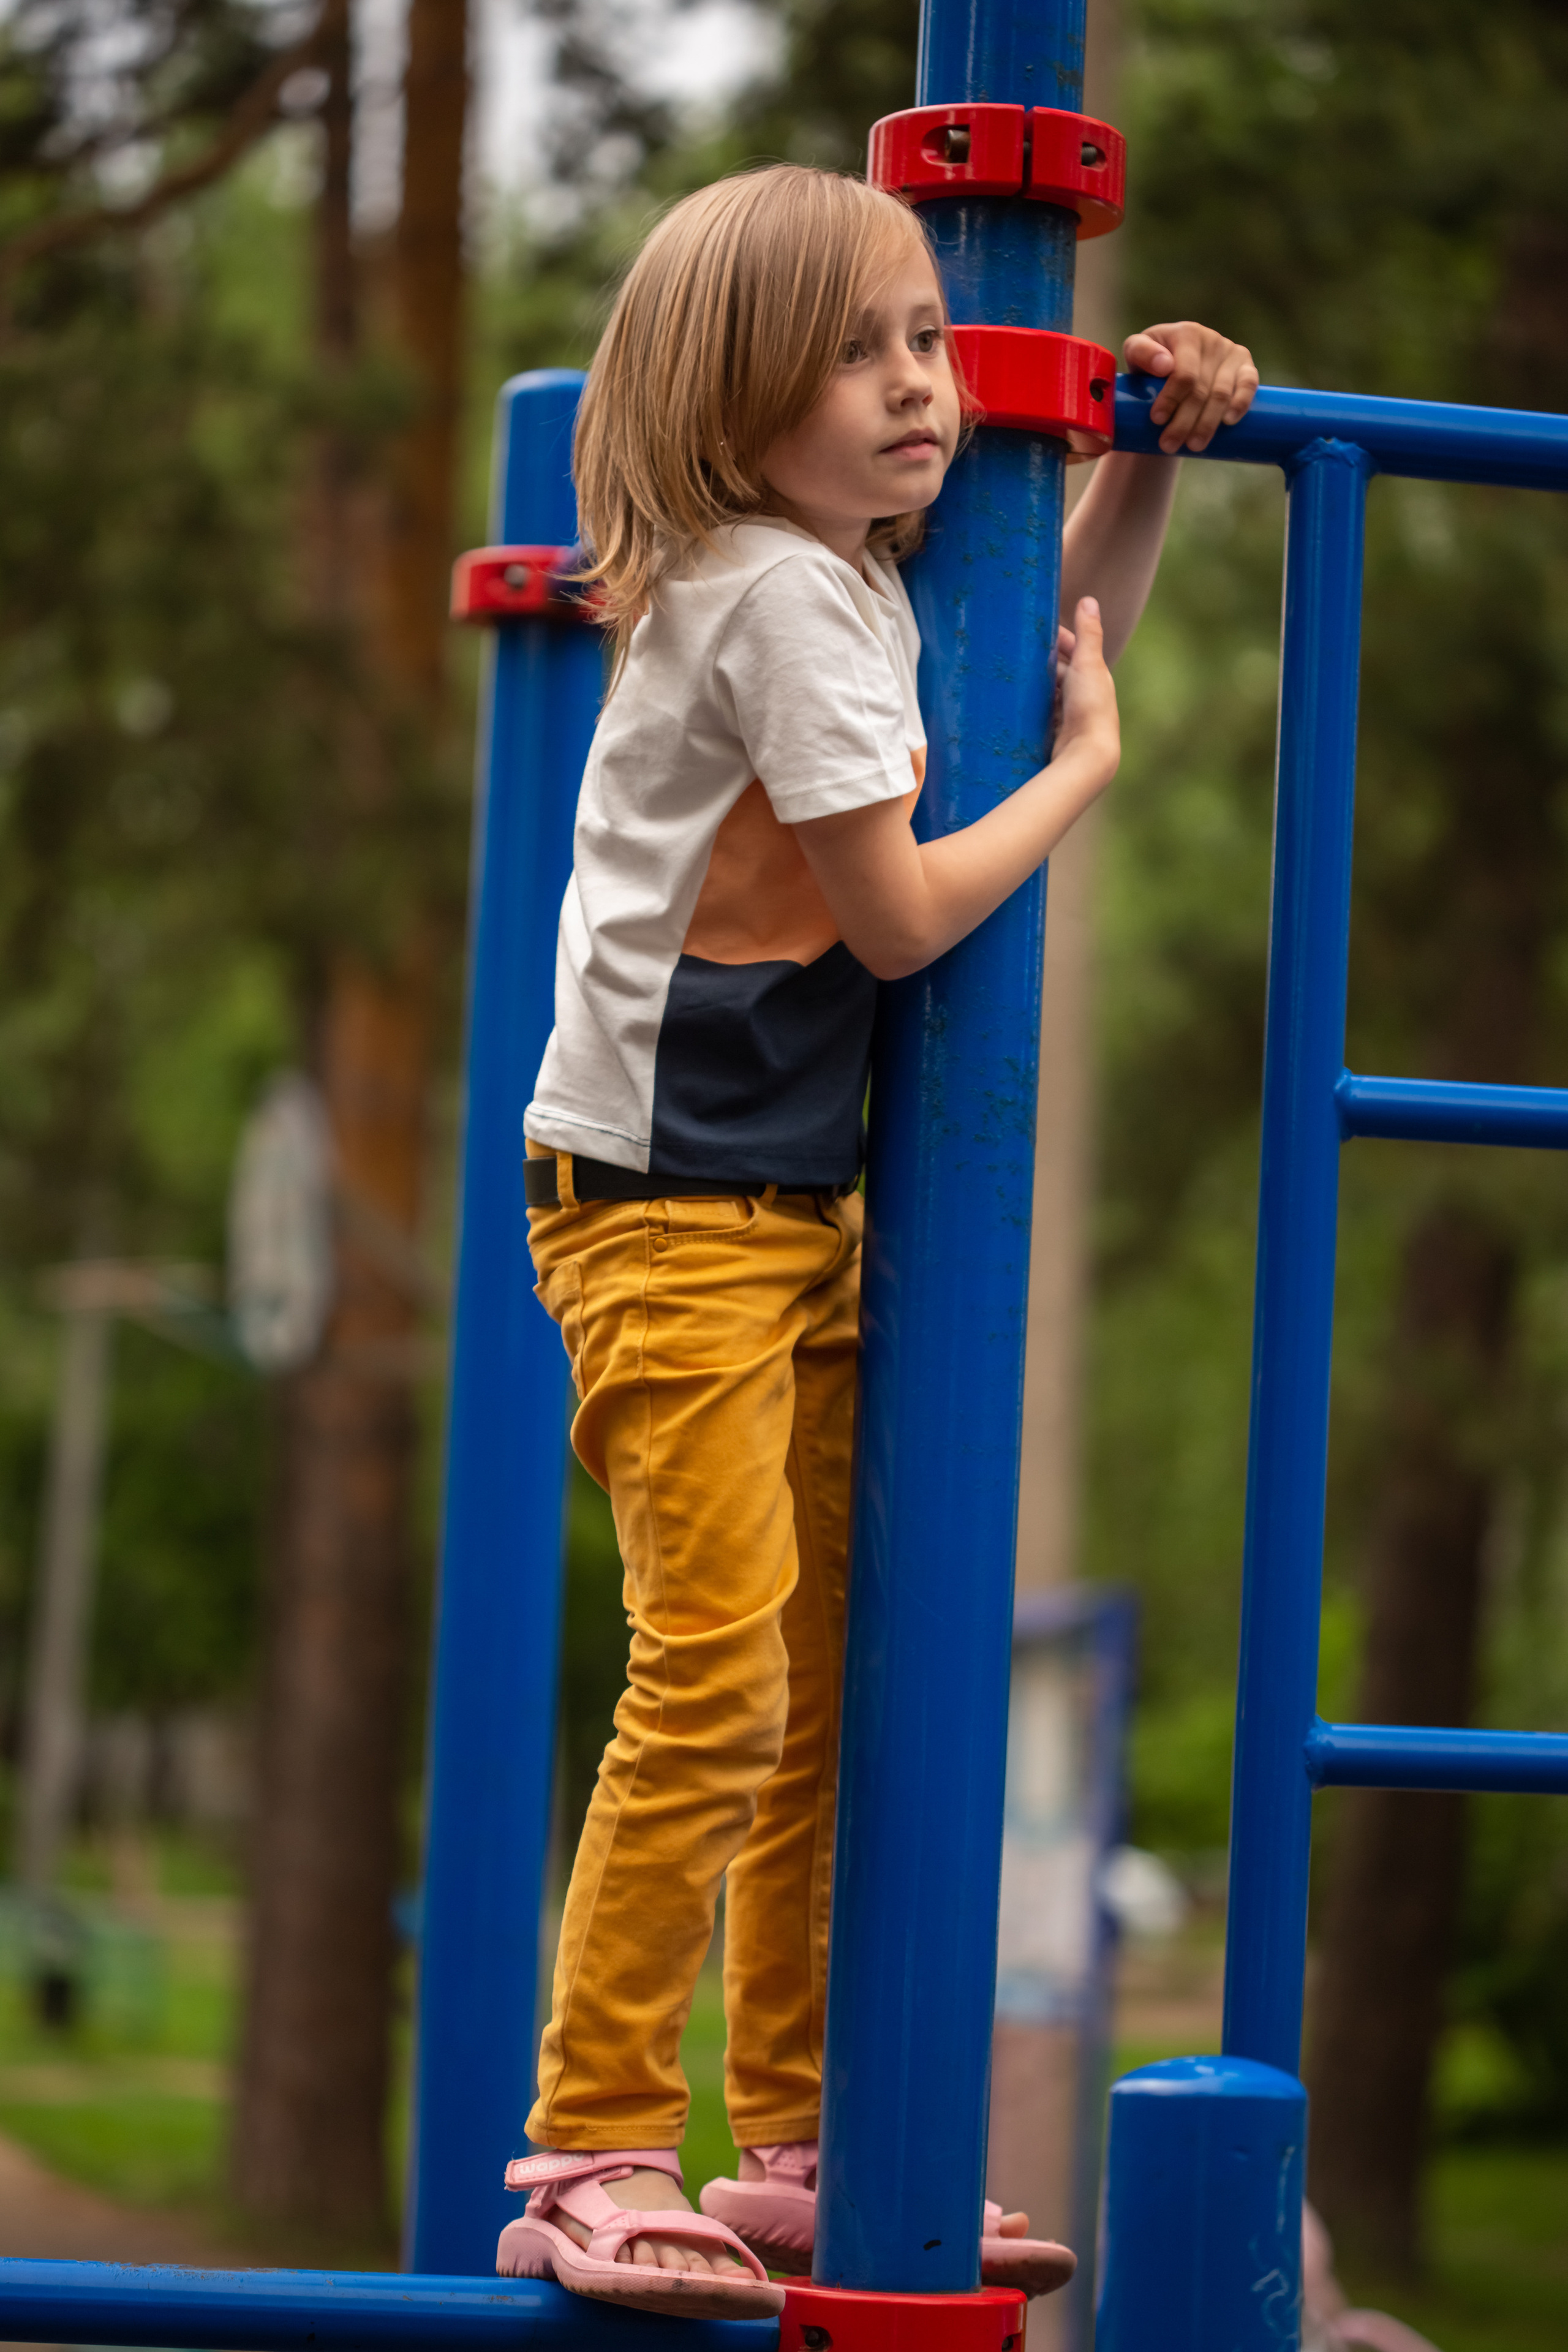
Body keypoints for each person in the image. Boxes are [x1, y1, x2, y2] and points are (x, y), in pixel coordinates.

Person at [497, 162, 1258, 2318]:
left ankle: (793, 2137)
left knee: (809, 1698)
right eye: (864, 354)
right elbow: (910, 909)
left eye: (929, 339)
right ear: (733, 406)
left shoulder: (845, 575)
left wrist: (1140, 452)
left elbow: (1031, 657)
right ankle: (588, 2139)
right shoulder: (771, 599)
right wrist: (1094, 771)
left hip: (780, 1196)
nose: (924, 386)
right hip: (667, 1209)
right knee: (718, 1676)